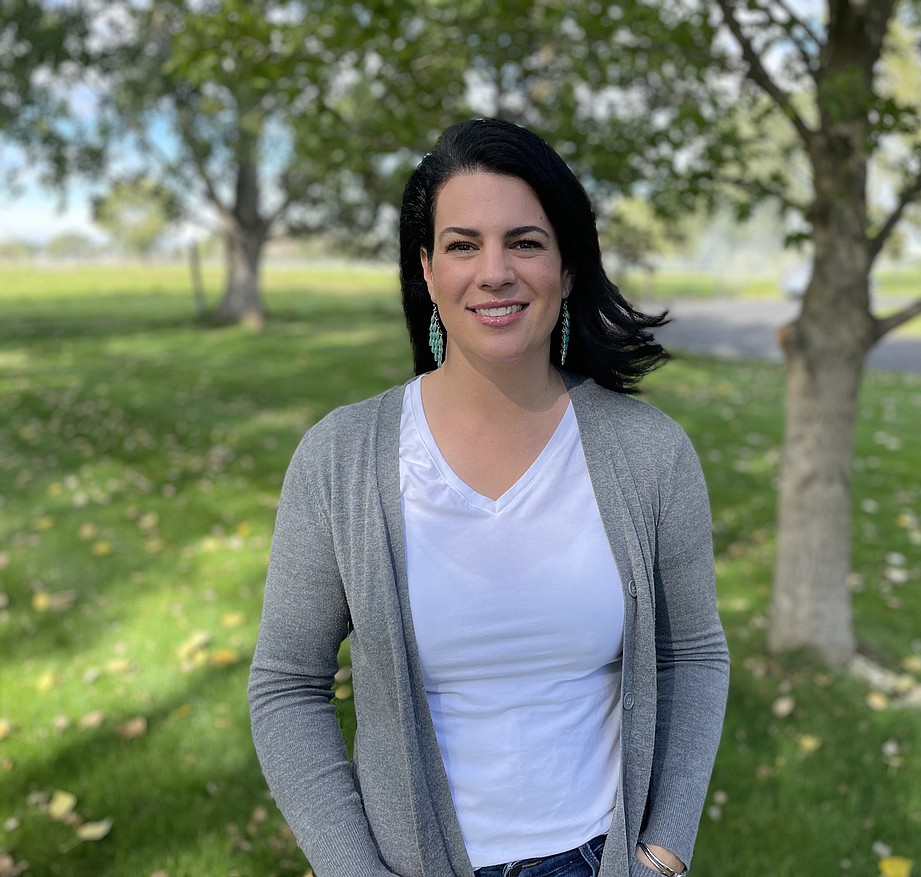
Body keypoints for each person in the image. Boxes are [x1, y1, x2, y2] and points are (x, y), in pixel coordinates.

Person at [248, 118, 729, 877]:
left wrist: (663, 854)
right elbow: (287, 683)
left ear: (567, 269)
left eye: (526, 242)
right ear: (429, 270)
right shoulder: (340, 459)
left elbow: (694, 655)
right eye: (464, 244)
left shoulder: (649, 452)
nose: (495, 271)